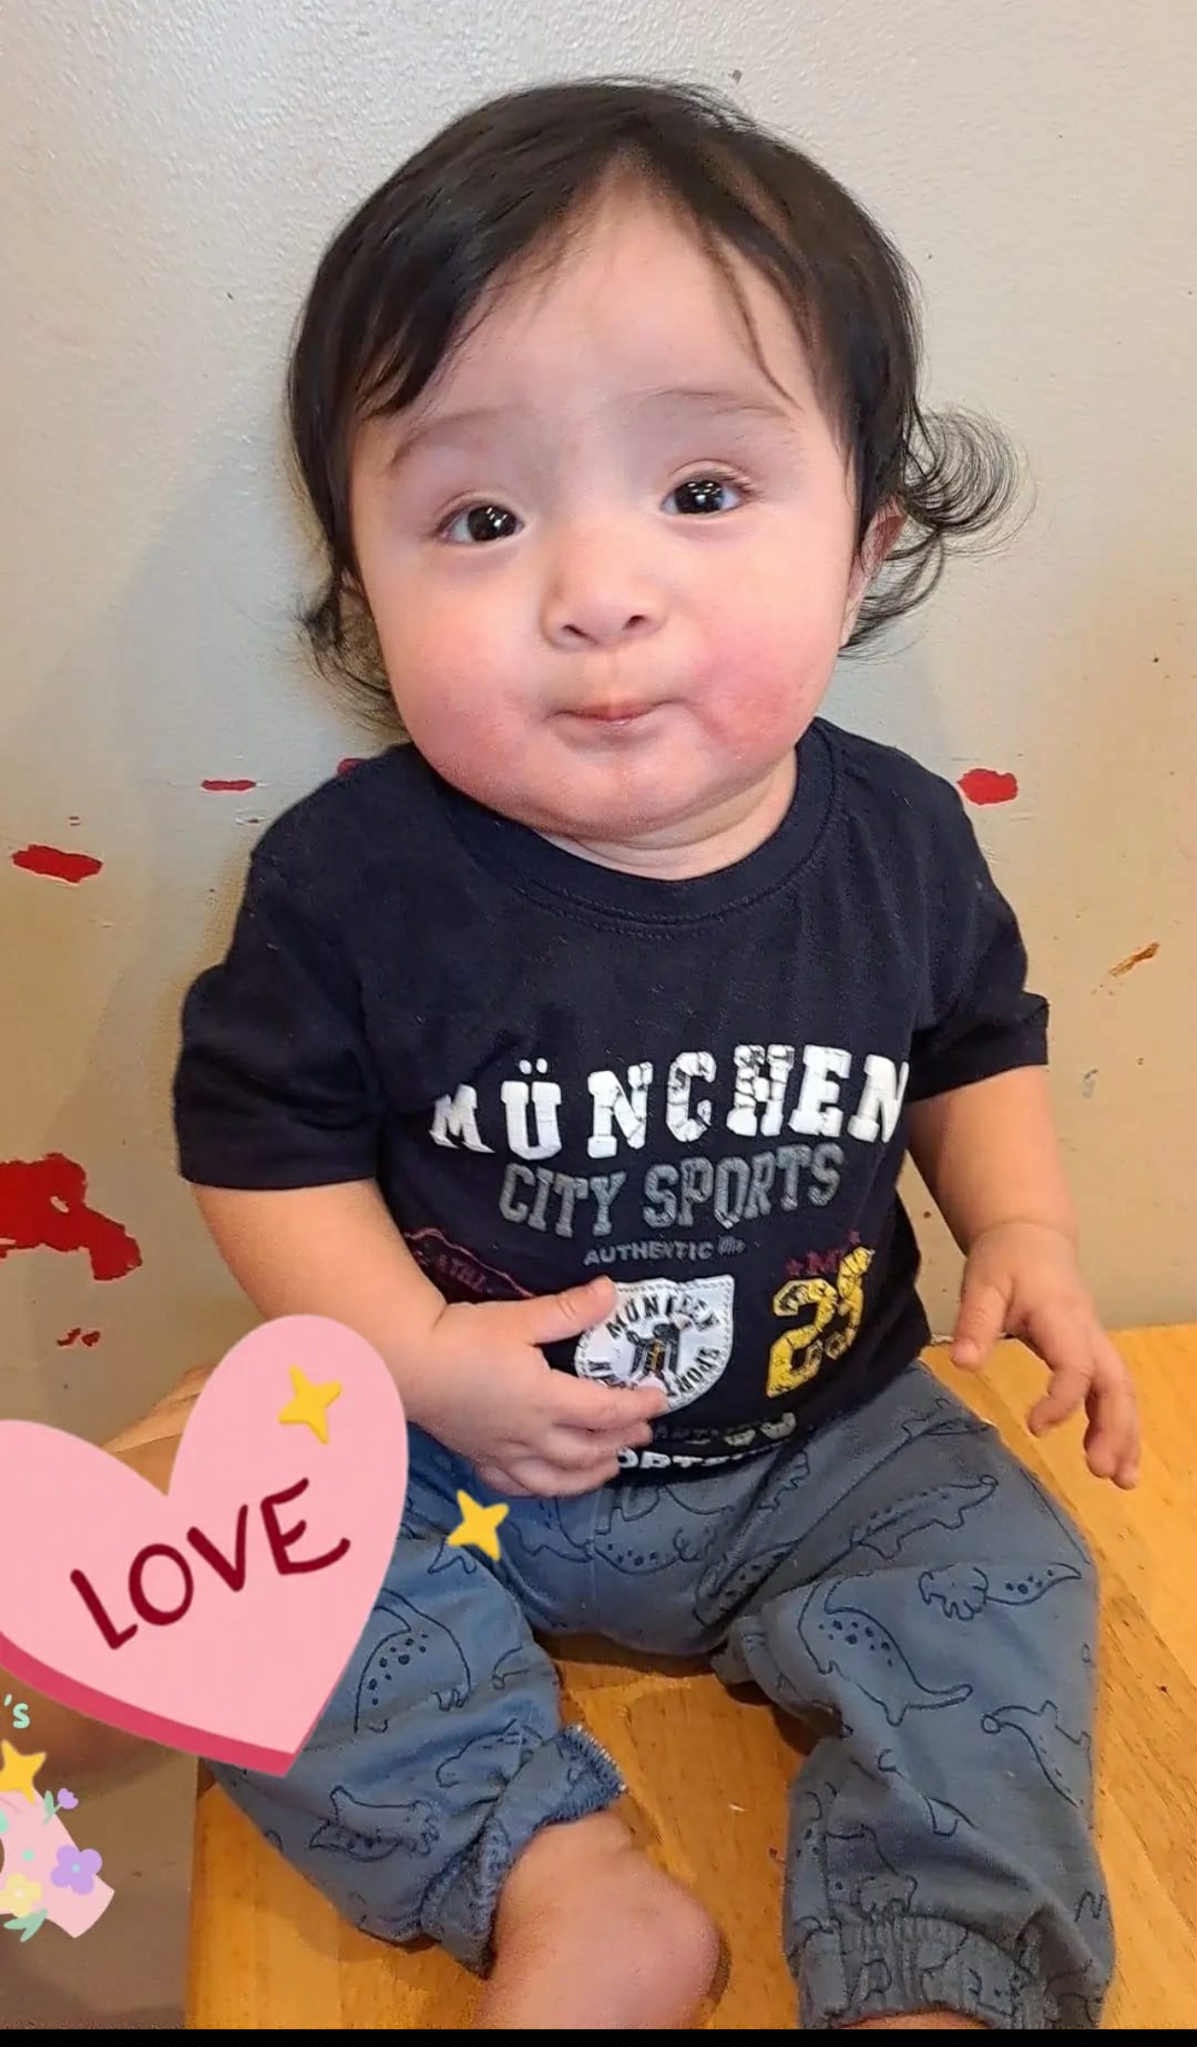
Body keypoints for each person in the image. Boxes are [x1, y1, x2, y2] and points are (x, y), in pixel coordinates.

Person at [172, 79, 1139, 2030]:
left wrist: (1021, 1227)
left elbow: (973, 1039)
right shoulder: (349, 882)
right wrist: (413, 1355)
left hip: (829, 1445)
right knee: (239, 1567)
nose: (597, 592)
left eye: (700, 492)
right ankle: (557, 1879)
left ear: (862, 543)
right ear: (363, 587)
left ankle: (938, 1969)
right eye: (480, 517)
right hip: (467, 1456)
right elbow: (263, 1148)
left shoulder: (899, 838)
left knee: (1004, 1583)